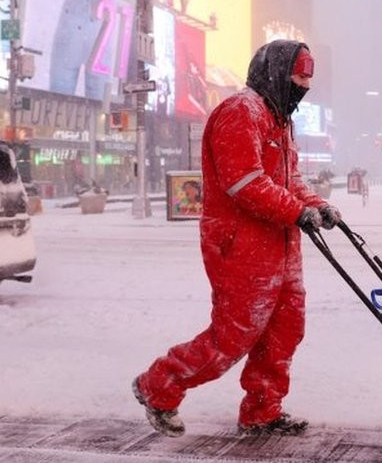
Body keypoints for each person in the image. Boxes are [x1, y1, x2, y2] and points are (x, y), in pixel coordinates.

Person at [132, 40, 342, 438]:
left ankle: (262, 411)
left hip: (281, 244)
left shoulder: (280, 119)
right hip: (241, 245)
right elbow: (244, 182)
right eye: (299, 76)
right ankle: (158, 385)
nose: (305, 85)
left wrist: (317, 204)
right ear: (278, 73)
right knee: (233, 336)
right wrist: (297, 212)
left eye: (309, 78)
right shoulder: (238, 113)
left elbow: (288, 179)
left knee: (285, 329)